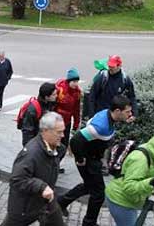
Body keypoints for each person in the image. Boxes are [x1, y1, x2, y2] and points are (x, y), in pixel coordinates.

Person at [57, 95, 134, 226]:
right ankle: (89, 222)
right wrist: (80, 159)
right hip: (89, 160)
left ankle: (61, 203)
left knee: (89, 186)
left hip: (93, 157)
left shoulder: (109, 115)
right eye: (127, 112)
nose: (130, 114)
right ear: (117, 111)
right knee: (98, 194)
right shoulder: (100, 126)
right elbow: (75, 141)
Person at [106, 130, 154, 226]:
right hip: (120, 200)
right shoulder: (140, 159)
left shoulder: (152, 152)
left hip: (127, 200)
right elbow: (129, 186)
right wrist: (151, 183)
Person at [1, 112, 67, 226]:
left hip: (44, 202)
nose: (63, 135)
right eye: (59, 132)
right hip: (24, 208)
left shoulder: (56, 148)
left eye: (63, 131)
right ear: (45, 131)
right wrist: (41, 186)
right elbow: (17, 179)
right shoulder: (31, 153)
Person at [88, 55, 137, 121]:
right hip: (101, 116)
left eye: (112, 66)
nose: (110, 68)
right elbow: (92, 96)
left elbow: (132, 97)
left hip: (116, 117)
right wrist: (91, 116)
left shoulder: (125, 79)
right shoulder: (103, 77)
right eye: (109, 66)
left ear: (119, 66)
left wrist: (134, 114)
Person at [21, 82, 58, 147]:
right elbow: (27, 131)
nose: (56, 96)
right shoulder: (33, 109)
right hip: (36, 143)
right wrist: (29, 148)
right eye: (54, 94)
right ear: (46, 97)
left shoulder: (50, 103)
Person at [55, 68, 82, 153]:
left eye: (77, 81)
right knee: (55, 143)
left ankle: (56, 164)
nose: (76, 84)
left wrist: (76, 123)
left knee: (64, 145)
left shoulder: (77, 92)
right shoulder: (60, 90)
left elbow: (76, 109)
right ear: (69, 81)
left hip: (67, 122)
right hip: (57, 121)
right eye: (73, 82)